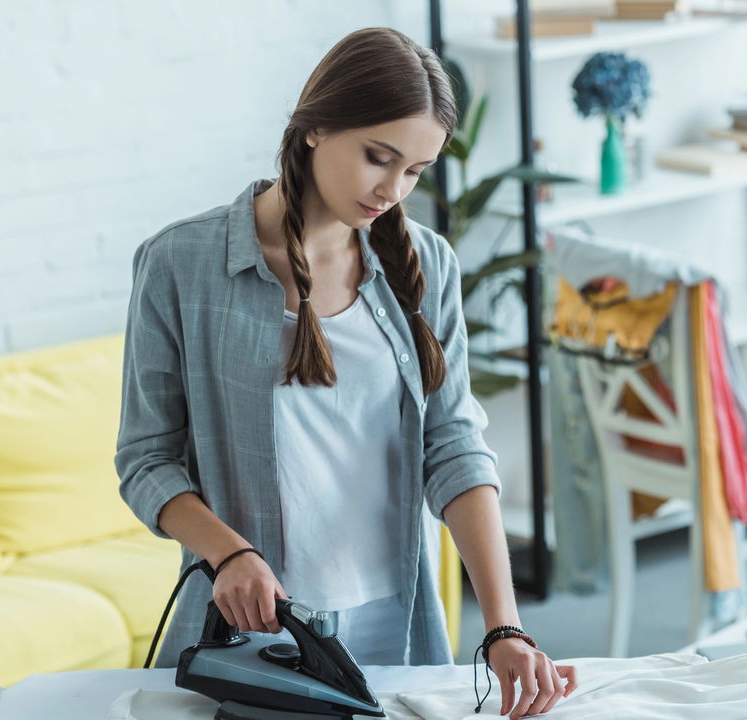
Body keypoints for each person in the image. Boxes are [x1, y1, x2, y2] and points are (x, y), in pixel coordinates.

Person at [115, 26, 576, 719]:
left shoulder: (428, 266)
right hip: (255, 631)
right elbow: (146, 460)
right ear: (316, 125)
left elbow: (452, 444)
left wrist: (503, 625)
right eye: (378, 158)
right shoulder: (180, 265)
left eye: (415, 171)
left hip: (397, 621)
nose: (393, 189)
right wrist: (229, 555)